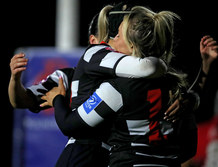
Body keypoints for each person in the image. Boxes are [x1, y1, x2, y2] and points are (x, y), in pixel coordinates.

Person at [9, 3, 169, 167]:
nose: (113, 41)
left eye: (118, 35)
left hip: (111, 156)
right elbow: (22, 101)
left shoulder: (130, 76)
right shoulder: (82, 65)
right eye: (111, 36)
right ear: (95, 42)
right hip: (84, 150)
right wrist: (15, 80)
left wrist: (188, 99)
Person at [41, 6, 197, 167]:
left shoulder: (117, 88)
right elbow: (190, 149)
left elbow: (70, 125)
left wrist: (57, 99)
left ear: (131, 45)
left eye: (118, 34)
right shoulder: (177, 87)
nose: (113, 39)